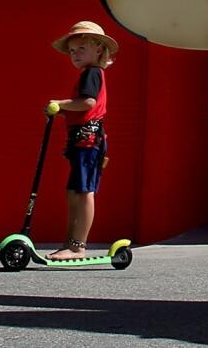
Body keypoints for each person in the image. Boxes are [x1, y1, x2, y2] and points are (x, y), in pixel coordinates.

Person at [45, 20, 118, 261]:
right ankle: (69, 242)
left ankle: (77, 246)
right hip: (81, 139)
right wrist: (63, 111)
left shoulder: (92, 73)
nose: (75, 55)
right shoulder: (89, 74)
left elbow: (88, 103)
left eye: (81, 49)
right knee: (74, 192)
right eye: (73, 51)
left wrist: (61, 103)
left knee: (84, 191)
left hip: (88, 141)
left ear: (98, 49)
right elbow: (84, 107)